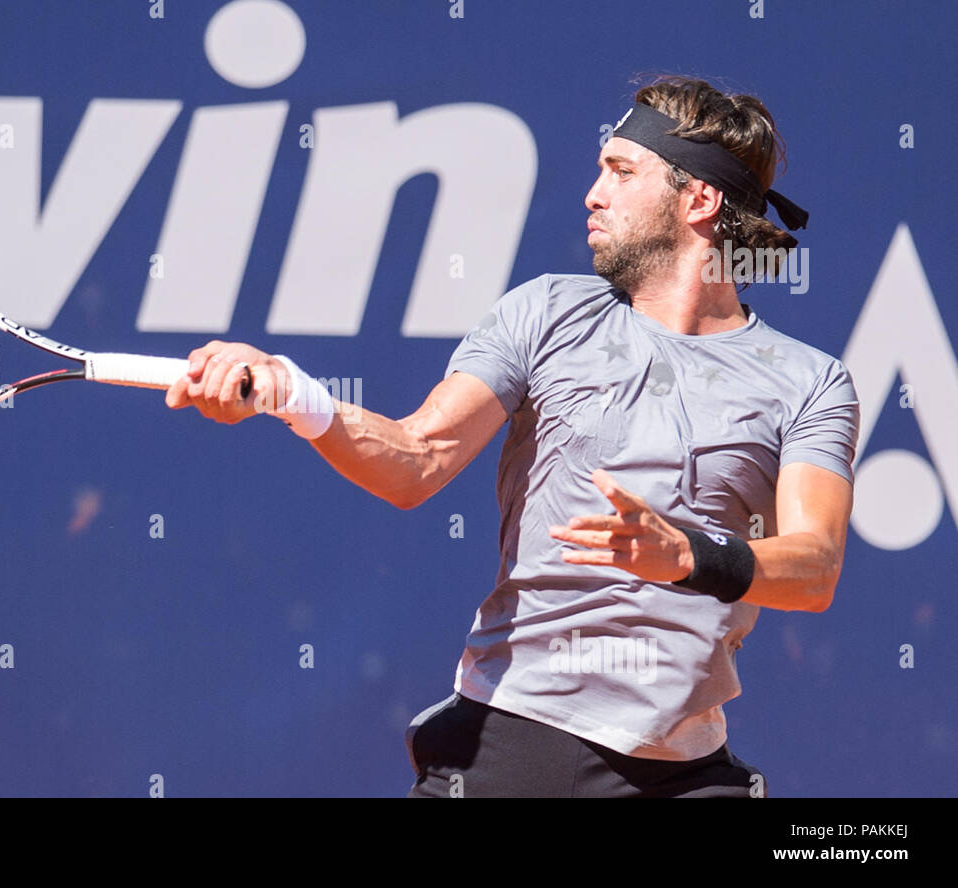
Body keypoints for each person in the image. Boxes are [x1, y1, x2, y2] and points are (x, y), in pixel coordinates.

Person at [164, 76, 859, 798]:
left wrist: (687, 554)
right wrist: (297, 397)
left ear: (699, 200)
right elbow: (417, 458)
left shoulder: (807, 381)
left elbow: (815, 569)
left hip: (684, 771)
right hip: (510, 745)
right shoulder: (546, 312)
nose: (593, 194)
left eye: (620, 172)